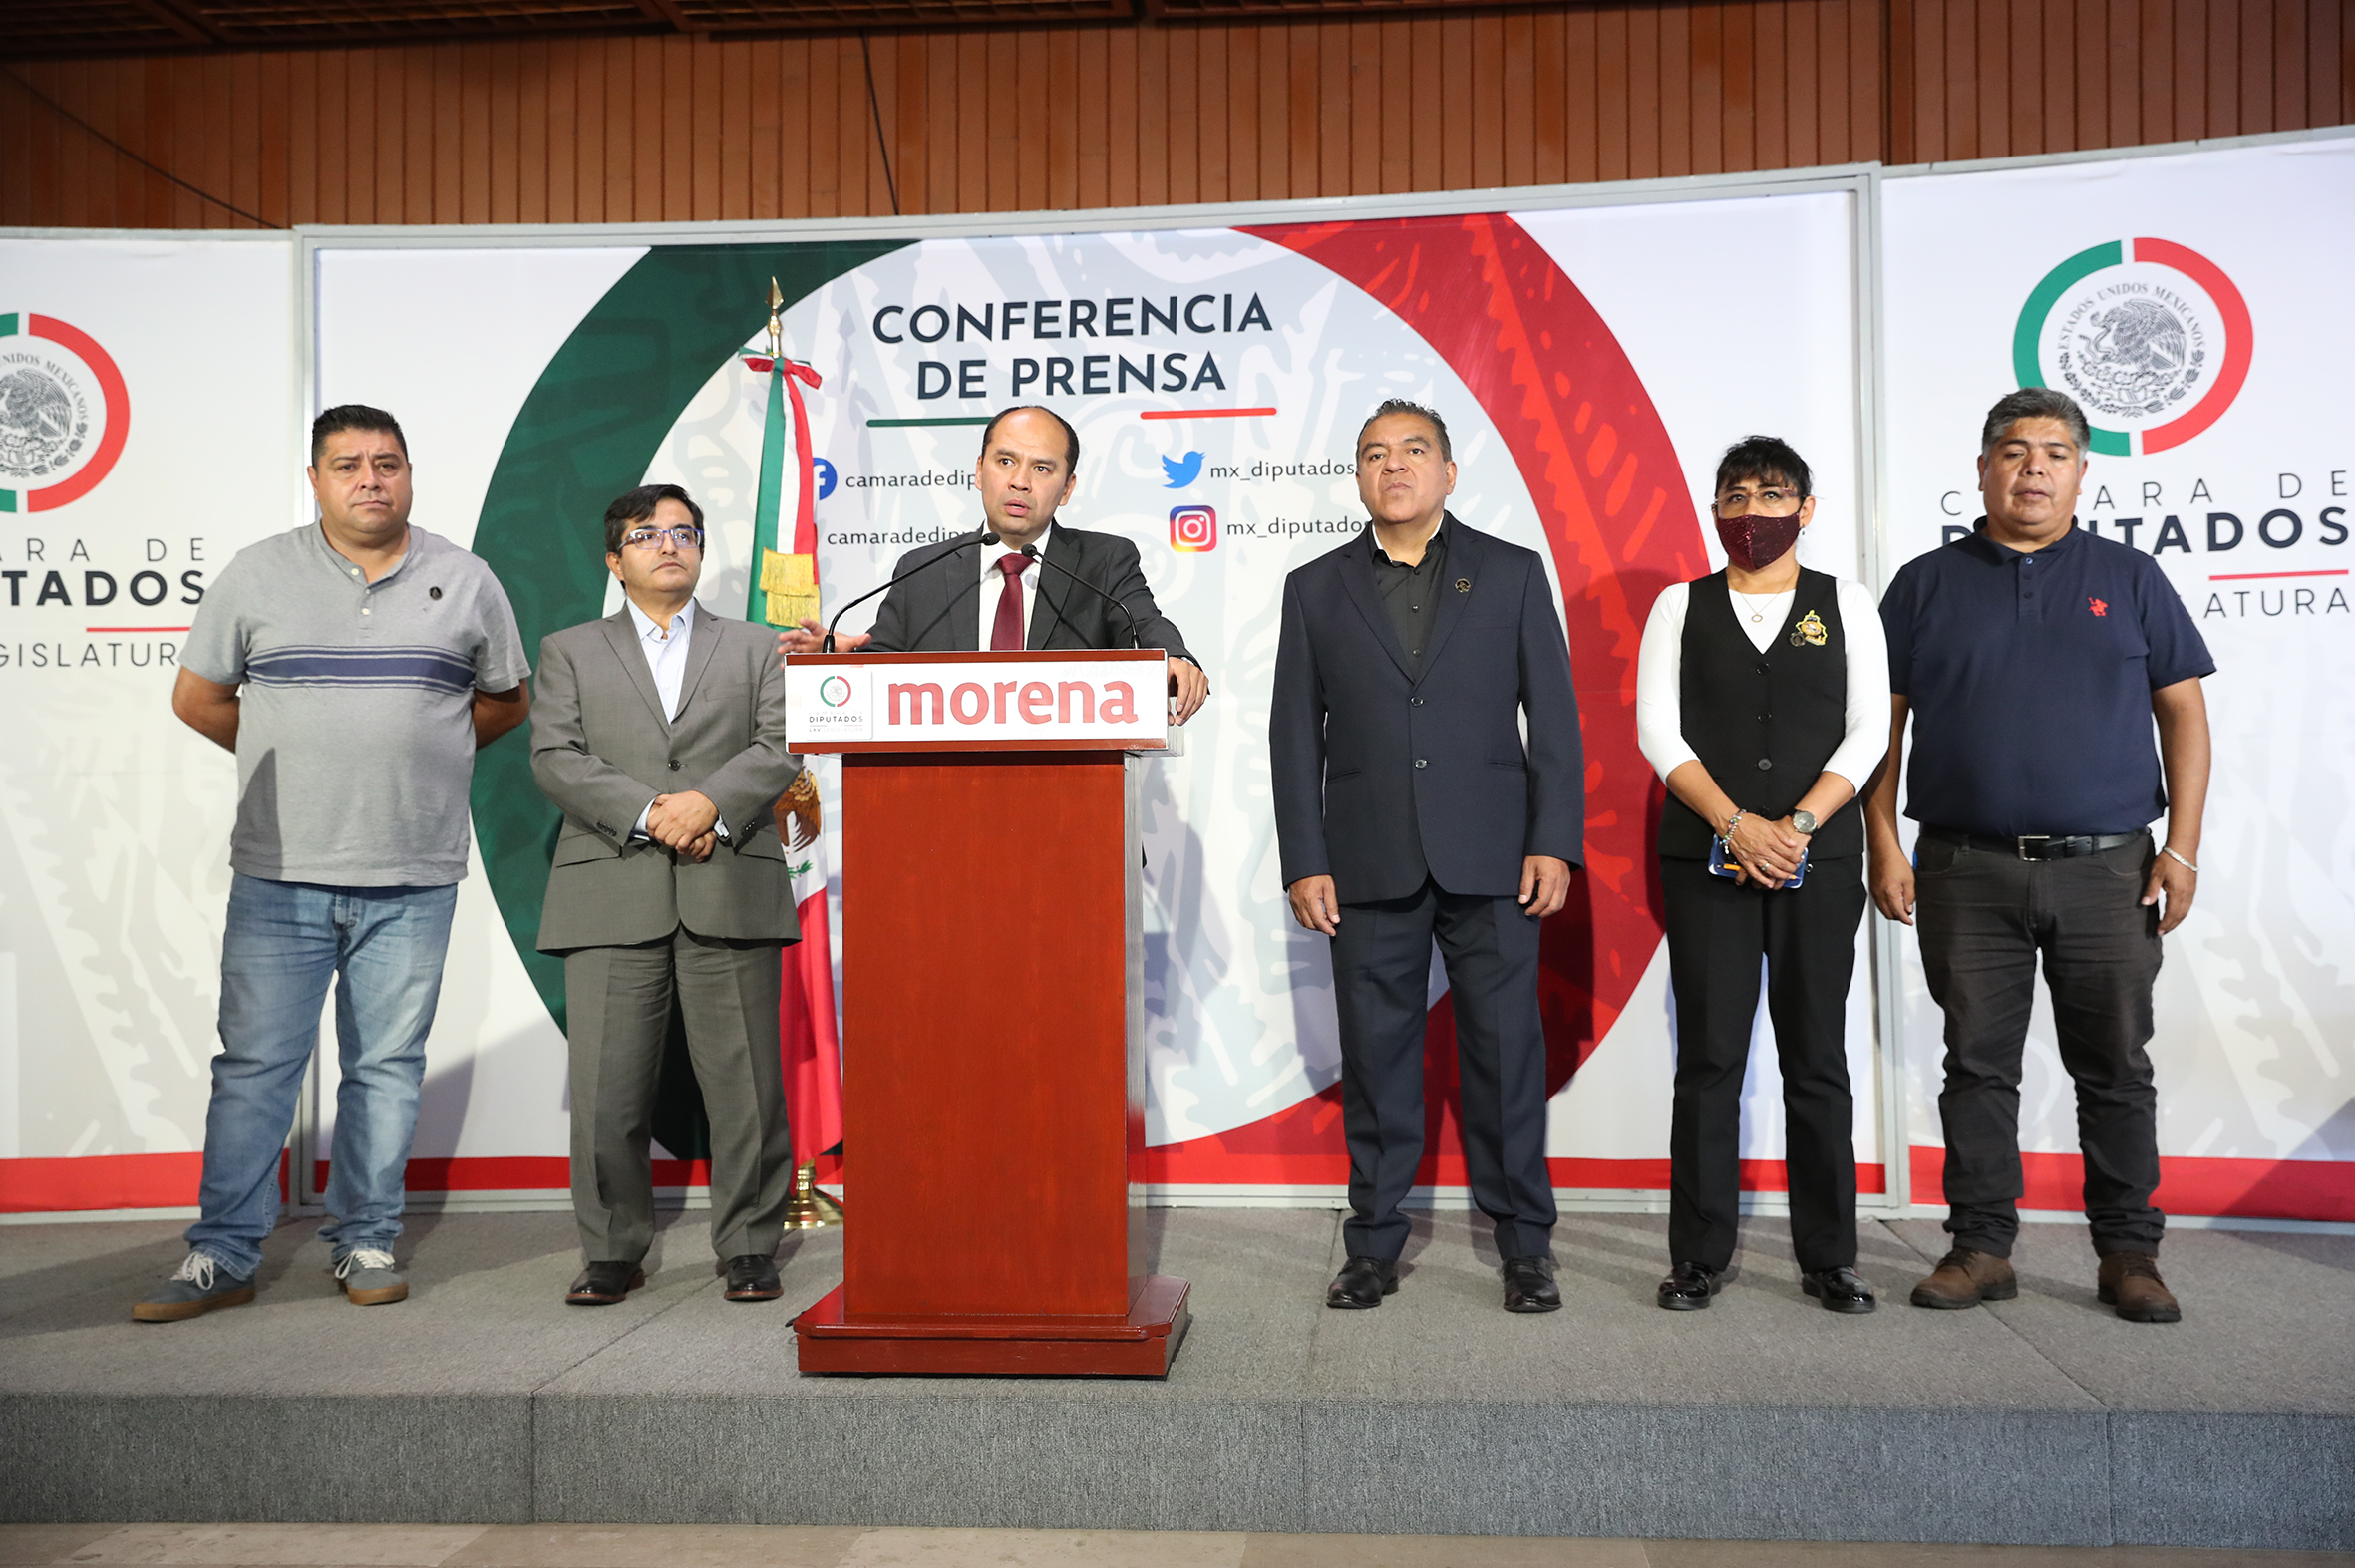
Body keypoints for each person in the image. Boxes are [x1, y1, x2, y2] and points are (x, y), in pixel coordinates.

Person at [136, 405, 530, 1322]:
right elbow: (198, 698)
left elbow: (505, 702)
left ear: (409, 475)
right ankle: (223, 1252)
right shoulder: (258, 573)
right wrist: (300, 758)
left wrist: (418, 754)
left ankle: (366, 1237)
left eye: (387, 462)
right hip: (281, 871)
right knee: (255, 1067)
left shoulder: (466, 579)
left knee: (385, 1067)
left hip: (413, 873)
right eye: (347, 464)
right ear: (314, 480)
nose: (369, 479)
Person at [1868, 387, 2212, 1324]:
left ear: (2081, 471)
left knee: (2115, 1066)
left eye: (2055, 453)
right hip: (1963, 866)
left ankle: (2130, 1254)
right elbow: (1881, 730)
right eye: (2015, 450)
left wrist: (2182, 850)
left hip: (2108, 869)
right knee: (1976, 1065)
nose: (2034, 469)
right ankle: (1981, 1247)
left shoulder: (2131, 577)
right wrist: (1883, 843)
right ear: (1983, 468)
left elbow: (2184, 713)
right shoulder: (1925, 585)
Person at [1270, 399, 1583, 1314]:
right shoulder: (1314, 587)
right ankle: (1372, 1244)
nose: (1394, 465)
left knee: (1506, 1057)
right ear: (1358, 476)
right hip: (1365, 859)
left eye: (1414, 450)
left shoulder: (1512, 573)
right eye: (1375, 453)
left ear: (1449, 471)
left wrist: (1552, 840)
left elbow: (1554, 720)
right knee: (1376, 1063)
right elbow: (1294, 733)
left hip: (1494, 856)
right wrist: (1304, 857)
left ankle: (1525, 1247)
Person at [529, 483, 804, 1307]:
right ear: (615, 560)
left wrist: (708, 804)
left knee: (745, 1088)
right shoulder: (569, 649)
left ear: (701, 549)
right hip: (611, 886)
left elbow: (781, 743)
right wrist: (654, 812)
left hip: (729, 880)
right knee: (607, 1091)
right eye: (648, 534)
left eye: (684, 532)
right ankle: (611, 1249)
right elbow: (555, 756)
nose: (669, 545)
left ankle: (750, 1244)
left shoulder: (756, 646)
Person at [1635, 436, 1888, 1314]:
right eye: (1736, 496)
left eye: (1773, 495)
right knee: (1709, 1058)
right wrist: (1737, 825)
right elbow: (1658, 730)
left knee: (1816, 1056)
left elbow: (1870, 729)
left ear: (1806, 510)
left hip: (1821, 862)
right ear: (1715, 510)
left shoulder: (1846, 602)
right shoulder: (1680, 605)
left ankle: (1831, 1257)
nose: (1754, 512)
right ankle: (1697, 1254)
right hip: (1706, 860)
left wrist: (1798, 825)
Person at [776, 405, 1209, 723]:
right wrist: (846, 659)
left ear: (1067, 488)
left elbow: (1144, 624)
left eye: (1042, 469)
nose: (1020, 481)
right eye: (1005, 462)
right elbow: (886, 670)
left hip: (1072, 800)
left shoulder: (1103, 563)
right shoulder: (922, 571)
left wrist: (1173, 656)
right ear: (980, 471)